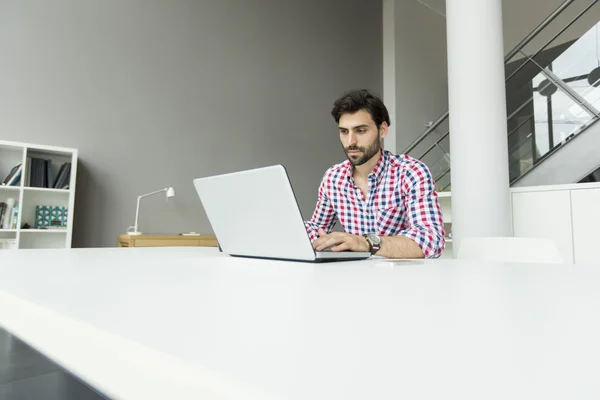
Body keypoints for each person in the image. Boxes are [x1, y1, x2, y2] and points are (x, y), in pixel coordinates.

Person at [304, 89, 445, 259]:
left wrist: (367, 242)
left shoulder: (411, 173)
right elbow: (318, 228)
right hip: (353, 278)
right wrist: (299, 231)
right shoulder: (333, 178)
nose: (351, 142)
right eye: (344, 131)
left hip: (403, 280)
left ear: (382, 130)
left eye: (361, 131)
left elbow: (431, 240)